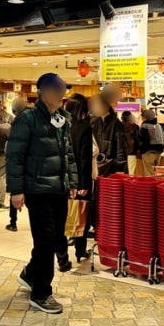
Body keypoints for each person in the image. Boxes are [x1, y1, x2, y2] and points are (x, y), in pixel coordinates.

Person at [7, 73, 77, 314]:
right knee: (45, 240)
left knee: (55, 238)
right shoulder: (27, 119)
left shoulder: (62, 119)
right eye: (56, 90)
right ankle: (41, 293)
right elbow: (14, 156)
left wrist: (72, 181)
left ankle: (30, 273)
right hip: (37, 188)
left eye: (62, 90)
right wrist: (16, 190)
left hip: (59, 188)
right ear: (43, 93)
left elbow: (68, 154)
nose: (61, 95)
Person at [64, 94, 94, 263]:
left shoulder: (61, 126)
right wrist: (83, 184)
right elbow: (84, 159)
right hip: (79, 178)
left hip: (63, 179)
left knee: (64, 214)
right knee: (81, 213)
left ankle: (62, 255)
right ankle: (80, 251)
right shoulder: (84, 128)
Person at [89, 95, 128, 176]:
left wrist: (120, 168)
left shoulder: (116, 123)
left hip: (112, 167)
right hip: (98, 166)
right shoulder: (95, 122)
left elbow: (121, 148)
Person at [5, 98, 28, 233]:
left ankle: (13, 222)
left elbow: (13, 154)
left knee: (16, 194)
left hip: (19, 168)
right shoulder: (34, 120)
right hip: (31, 171)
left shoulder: (16, 123)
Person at [139, 109, 164, 176]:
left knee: (149, 172)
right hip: (159, 150)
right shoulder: (158, 125)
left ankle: (150, 183)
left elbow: (145, 140)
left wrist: (142, 151)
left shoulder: (144, 126)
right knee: (156, 171)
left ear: (145, 117)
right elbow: (163, 138)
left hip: (149, 151)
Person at [121, 111, 140, 175]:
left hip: (121, 153)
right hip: (132, 152)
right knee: (131, 172)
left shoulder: (119, 126)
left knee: (123, 172)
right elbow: (137, 140)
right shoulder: (134, 126)